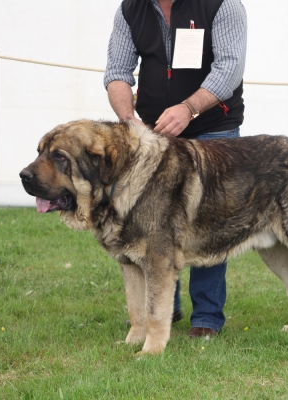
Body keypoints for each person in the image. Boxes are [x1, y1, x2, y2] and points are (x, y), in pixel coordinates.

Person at [104, 0, 247, 338]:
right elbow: (117, 72)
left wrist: (189, 108)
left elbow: (229, 67)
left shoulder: (223, 5)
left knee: (209, 220)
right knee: (153, 222)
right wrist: (128, 120)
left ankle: (207, 318)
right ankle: (166, 307)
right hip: (155, 132)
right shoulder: (130, 9)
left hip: (214, 125)